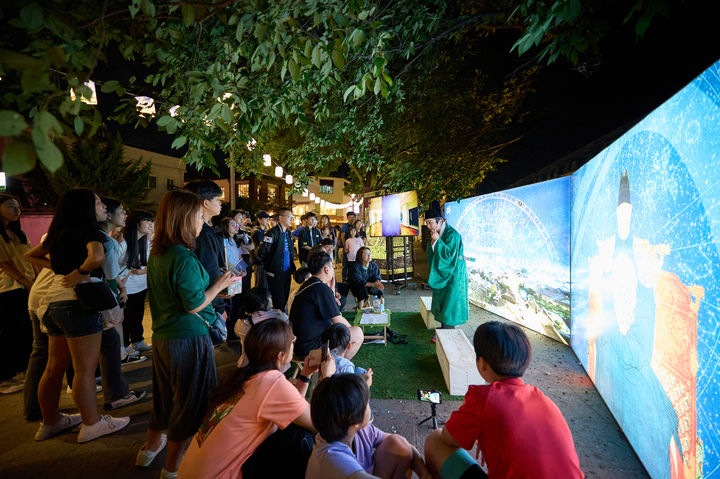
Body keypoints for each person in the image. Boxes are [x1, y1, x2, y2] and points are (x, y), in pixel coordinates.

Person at [135, 189, 234, 478]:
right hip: (188, 338)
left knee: (165, 397)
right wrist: (217, 287)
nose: (201, 223)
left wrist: (211, 294)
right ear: (183, 219)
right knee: (190, 402)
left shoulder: (159, 254)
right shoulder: (183, 258)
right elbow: (193, 305)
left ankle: (149, 450)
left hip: (163, 337)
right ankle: (173, 467)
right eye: (197, 217)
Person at [24, 189, 130, 442]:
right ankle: (92, 424)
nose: (103, 205)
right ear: (85, 207)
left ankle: (51, 421)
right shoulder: (90, 231)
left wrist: (63, 269)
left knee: (53, 367)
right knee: (85, 369)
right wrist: (82, 271)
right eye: (97, 202)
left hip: (53, 304)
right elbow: (97, 257)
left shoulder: (59, 233)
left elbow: (31, 255)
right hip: (78, 303)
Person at [178, 318, 336, 479]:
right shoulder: (272, 384)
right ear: (281, 355)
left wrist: (305, 375)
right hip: (221, 475)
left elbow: (293, 410)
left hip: (190, 473)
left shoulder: (246, 377)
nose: (294, 342)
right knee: (301, 437)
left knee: (289, 429)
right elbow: (319, 422)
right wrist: (327, 377)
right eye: (292, 340)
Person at [424, 321, 584, 479]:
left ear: (482, 364)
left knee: (435, 441)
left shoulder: (483, 398)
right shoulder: (542, 398)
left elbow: (447, 437)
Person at [306, 374, 430, 479]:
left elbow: (405, 445)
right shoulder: (334, 460)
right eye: (366, 403)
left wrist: (425, 474)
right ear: (355, 421)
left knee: (398, 444)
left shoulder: (356, 429)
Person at [98, 197, 146, 410]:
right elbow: (110, 272)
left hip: (106, 293)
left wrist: (121, 287)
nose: (125, 215)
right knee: (108, 342)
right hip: (101, 296)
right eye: (122, 211)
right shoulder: (109, 241)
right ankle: (114, 395)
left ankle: (114, 392)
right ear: (107, 214)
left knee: (111, 339)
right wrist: (121, 289)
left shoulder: (109, 239)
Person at [289, 251, 363, 360]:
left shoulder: (309, 285)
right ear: (326, 270)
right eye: (332, 267)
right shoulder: (320, 288)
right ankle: (337, 369)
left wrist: (331, 290)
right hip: (310, 347)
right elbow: (338, 320)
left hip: (300, 344)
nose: (333, 270)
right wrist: (352, 331)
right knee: (357, 333)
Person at [184, 180, 238, 320]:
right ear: (205, 203)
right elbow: (210, 270)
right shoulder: (203, 234)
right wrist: (219, 307)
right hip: (207, 305)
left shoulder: (208, 231)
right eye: (217, 199)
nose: (221, 203)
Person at [0, 193, 35, 394]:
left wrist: (34, 282)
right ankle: (4, 377)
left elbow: (30, 259)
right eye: (10, 206)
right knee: (9, 333)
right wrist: (26, 281)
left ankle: (17, 370)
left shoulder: (18, 233)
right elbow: (4, 263)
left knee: (23, 331)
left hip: (24, 287)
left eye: (18, 206)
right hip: (7, 289)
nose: (16, 210)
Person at [424, 201, 468, 335]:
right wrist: (435, 241)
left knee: (450, 303)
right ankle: (444, 329)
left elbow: (448, 257)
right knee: (443, 301)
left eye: (430, 223)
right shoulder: (439, 232)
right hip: (445, 274)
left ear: (440, 221)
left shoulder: (452, 235)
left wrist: (437, 241)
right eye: (427, 223)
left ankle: (447, 331)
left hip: (454, 275)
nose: (428, 226)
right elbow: (432, 252)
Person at [120, 210, 154, 355]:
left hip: (140, 285)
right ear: (136, 223)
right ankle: (124, 345)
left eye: (152, 222)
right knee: (126, 317)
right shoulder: (124, 241)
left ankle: (137, 341)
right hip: (126, 287)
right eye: (147, 221)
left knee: (137, 315)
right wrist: (122, 288)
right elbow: (118, 268)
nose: (151, 225)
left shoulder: (143, 241)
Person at [255, 207, 296, 312]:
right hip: (275, 272)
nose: (292, 219)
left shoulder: (287, 233)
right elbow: (263, 251)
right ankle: (278, 322)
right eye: (289, 217)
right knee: (279, 300)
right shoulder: (271, 233)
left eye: (292, 217)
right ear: (281, 218)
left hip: (286, 271)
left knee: (285, 296)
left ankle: (281, 318)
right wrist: (267, 266)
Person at [251, 211, 270, 288]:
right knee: (260, 283)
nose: (268, 221)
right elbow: (260, 246)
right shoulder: (257, 232)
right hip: (259, 261)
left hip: (266, 261)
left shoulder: (266, 231)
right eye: (265, 219)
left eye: (268, 219)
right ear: (259, 219)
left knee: (265, 283)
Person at [339, 211, 357, 282]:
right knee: (345, 264)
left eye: (353, 217)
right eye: (350, 217)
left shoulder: (355, 225)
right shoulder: (345, 226)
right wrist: (345, 247)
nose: (351, 219)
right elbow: (342, 236)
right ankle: (344, 279)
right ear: (347, 218)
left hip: (354, 249)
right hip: (347, 247)